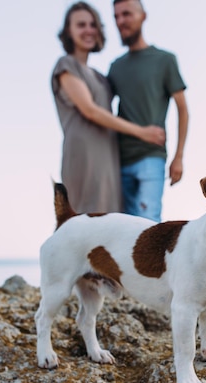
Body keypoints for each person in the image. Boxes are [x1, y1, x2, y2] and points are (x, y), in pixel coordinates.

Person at [51, 1, 165, 213]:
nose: (88, 30)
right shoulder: (66, 65)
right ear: (69, 31)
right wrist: (142, 132)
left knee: (109, 226)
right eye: (81, 25)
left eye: (92, 24)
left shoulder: (101, 77)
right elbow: (90, 110)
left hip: (110, 159)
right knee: (81, 223)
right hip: (83, 155)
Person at [108, 0, 189, 222]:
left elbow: (182, 109)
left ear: (143, 16)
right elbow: (102, 111)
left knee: (148, 224)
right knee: (123, 228)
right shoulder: (115, 67)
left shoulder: (164, 60)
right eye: (116, 16)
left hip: (151, 157)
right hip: (117, 159)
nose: (121, 21)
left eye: (126, 14)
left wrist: (178, 157)